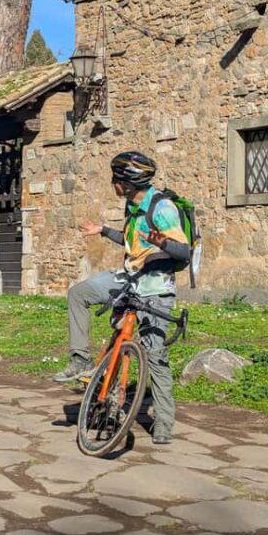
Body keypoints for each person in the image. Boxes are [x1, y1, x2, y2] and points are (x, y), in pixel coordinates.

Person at [53, 151, 189, 445]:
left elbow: (184, 252)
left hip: (155, 290)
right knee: (79, 294)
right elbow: (133, 241)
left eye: (115, 179)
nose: (112, 184)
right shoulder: (133, 205)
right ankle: (80, 360)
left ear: (126, 183)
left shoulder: (162, 208)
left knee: (155, 358)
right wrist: (103, 230)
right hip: (128, 279)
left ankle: (164, 423)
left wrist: (163, 242)